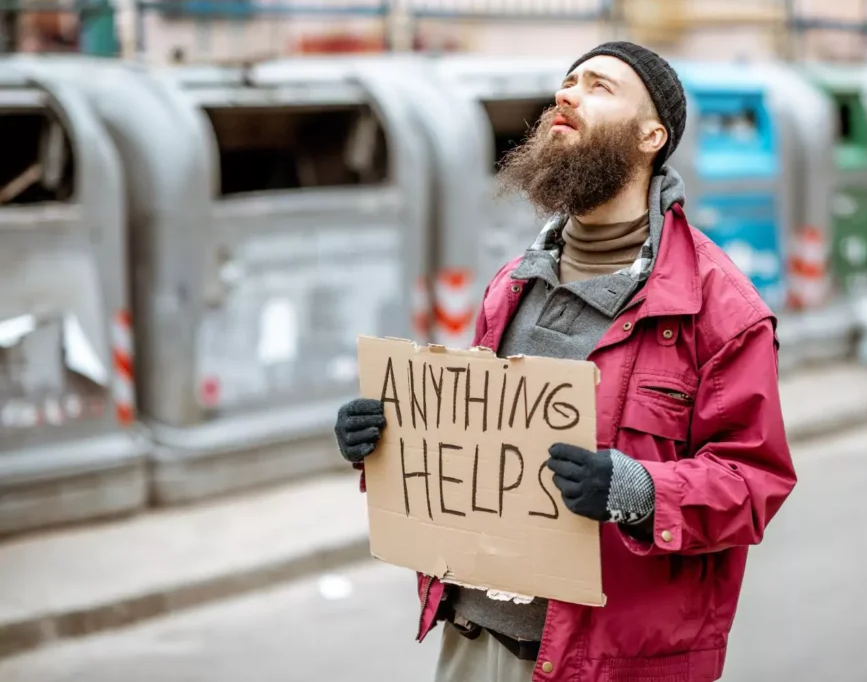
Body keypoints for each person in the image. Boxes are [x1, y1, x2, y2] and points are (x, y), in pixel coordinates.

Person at [335, 41, 797, 682]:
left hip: (605, 665)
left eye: (599, 87)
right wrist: (386, 444)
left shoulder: (718, 306)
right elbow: (480, 450)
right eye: (568, 82)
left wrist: (641, 491)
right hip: (471, 644)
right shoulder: (513, 283)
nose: (568, 94)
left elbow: (754, 483)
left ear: (650, 136)